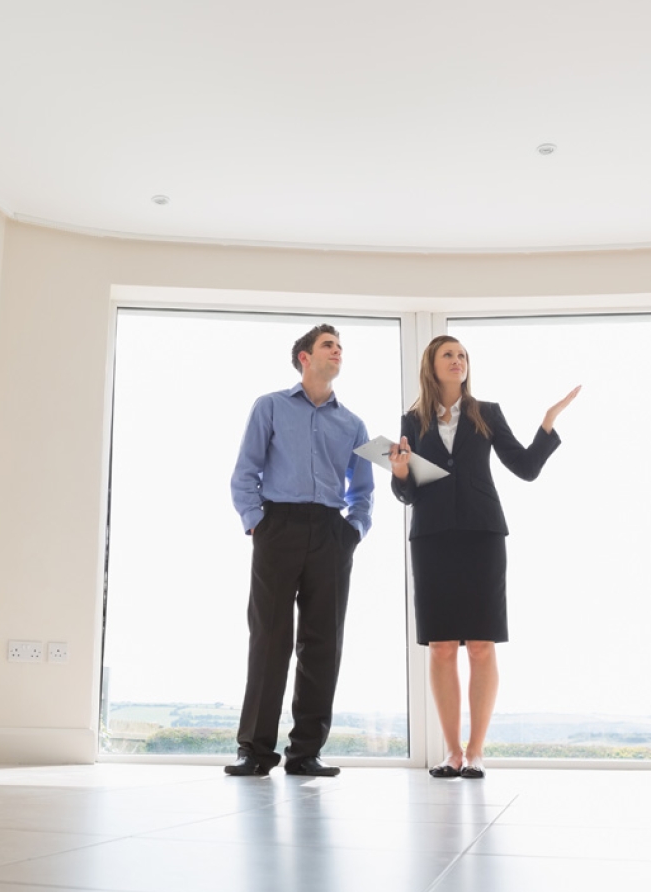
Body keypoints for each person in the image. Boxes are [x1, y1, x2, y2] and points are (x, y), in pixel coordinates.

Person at [389, 335, 579, 779]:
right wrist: (399, 473)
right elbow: (407, 492)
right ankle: (451, 752)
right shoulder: (411, 420)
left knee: (480, 644)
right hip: (432, 536)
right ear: (431, 366)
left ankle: (475, 752)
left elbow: (526, 468)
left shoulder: (486, 412)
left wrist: (548, 423)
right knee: (439, 647)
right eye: (448, 355)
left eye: (462, 356)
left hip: (482, 535)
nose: (457, 361)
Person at [226, 323, 374, 777]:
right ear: (304, 358)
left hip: (331, 533)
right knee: (269, 638)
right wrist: (258, 524)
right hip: (278, 527)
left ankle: (305, 751)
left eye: (341, 347)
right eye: (329, 345)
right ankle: (255, 750)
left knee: (323, 643)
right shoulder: (270, 407)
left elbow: (363, 489)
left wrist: (354, 530)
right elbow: (244, 473)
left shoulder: (352, 423)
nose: (338, 352)